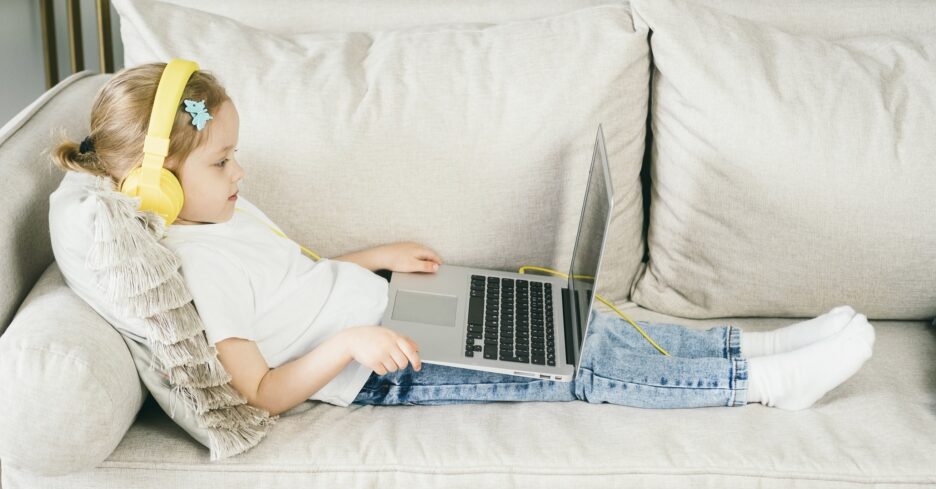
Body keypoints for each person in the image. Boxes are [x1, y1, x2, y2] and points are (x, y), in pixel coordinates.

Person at [50, 62, 875, 418]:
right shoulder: (198, 263)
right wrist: (351, 343)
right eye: (223, 159)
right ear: (157, 184)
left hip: (398, 309)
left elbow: (294, 278)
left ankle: (748, 347)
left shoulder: (224, 213)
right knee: (569, 362)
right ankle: (756, 385)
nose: (240, 171)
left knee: (576, 316)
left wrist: (365, 261)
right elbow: (261, 389)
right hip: (383, 371)